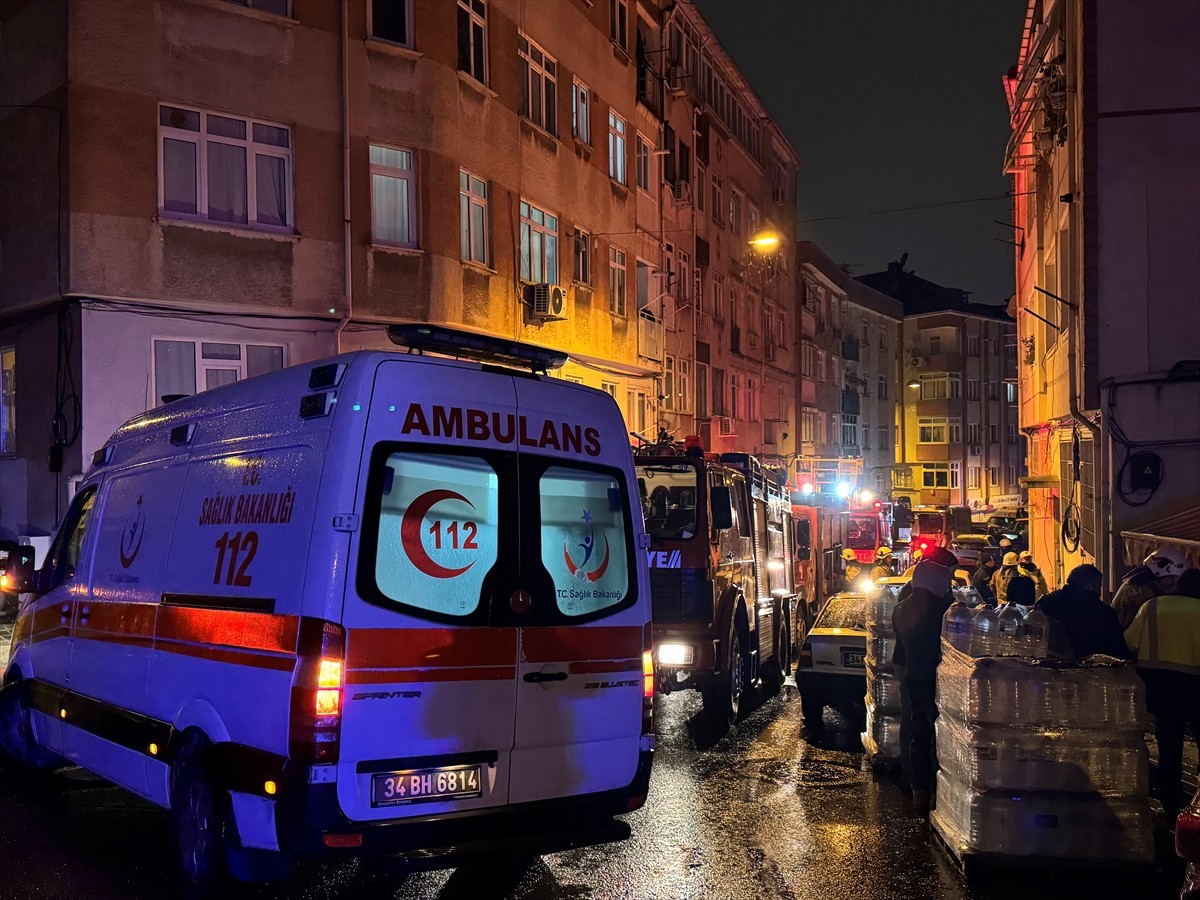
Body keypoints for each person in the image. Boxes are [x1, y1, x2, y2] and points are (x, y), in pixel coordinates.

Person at [1125, 567, 1200, 824]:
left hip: (1161, 685)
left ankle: (1170, 806)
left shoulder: (1153, 606)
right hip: (1197, 687)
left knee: (1169, 747)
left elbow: (1130, 642)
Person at [891, 545, 957, 816]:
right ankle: (936, 791)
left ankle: (918, 791)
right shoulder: (944, 609)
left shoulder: (901, 608)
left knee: (919, 732)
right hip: (939, 678)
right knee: (940, 735)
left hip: (913, 675)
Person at [1036, 563, 1127, 659]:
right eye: (1098, 587)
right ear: (1090, 586)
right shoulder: (1104, 614)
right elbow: (1119, 653)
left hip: (1049, 667)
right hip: (1091, 671)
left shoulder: (1045, 603)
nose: (1099, 592)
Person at [1111, 548, 1187, 630]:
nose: (1175, 582)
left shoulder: (1142, 587)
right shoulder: (1136, 593)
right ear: (1159, 574)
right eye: (1172, 577)